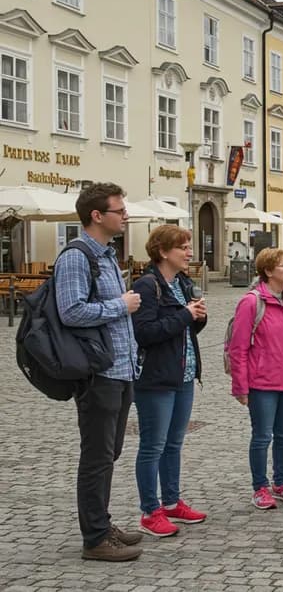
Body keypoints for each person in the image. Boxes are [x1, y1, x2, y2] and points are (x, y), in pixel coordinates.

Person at [55, 183, 144, 560]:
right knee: (96, 455)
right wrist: (120, 306)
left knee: (110, 452)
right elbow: (70, 311)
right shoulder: (77, 257)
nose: (125, 215)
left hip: (121, 369)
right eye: (119, 210)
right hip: (98, 372)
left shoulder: (107, 255)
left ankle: (102, 521)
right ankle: (94, 538)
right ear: (97, 215)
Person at [129, 226, 209, 537]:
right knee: (153, 445)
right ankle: (150, 511)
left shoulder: (183, 283)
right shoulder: (147, 286)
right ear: (163, 252)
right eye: (183, 247)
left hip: (184, 374)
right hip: (156, 378)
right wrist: (185, 317)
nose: (190, 252)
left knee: (174, 443)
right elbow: (145, 333)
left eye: (189, 246)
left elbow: (183, 331)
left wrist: (198, 319)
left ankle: (172, 502)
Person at [227, 248, 283, 510]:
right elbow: (238, 348)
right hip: (261, 382)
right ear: (269, 271)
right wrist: (240, 385)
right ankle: (260, 487)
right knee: (262, 436)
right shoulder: (251, 302)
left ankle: (281, 483)